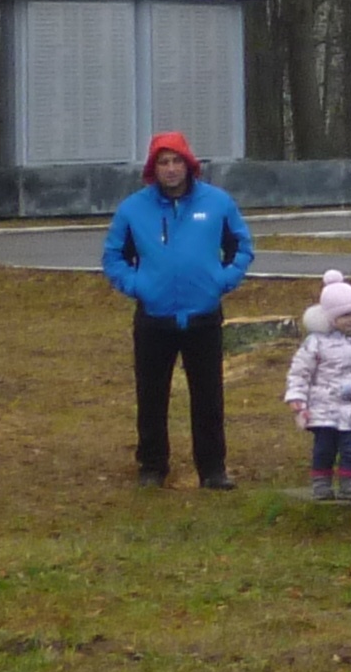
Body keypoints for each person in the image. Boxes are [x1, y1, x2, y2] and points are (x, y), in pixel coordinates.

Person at [101, 131, 253, 491]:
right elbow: (113, 257)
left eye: (176, 161)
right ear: (154, 169)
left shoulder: (217, 203)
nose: (171, 169)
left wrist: (223, 280)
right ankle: (152, 466)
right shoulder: (133, 209)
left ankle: (213, 469)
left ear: (189, 164)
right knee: (151, 396)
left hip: (203, 315)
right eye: (163, 163)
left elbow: (241, 247)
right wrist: (138, 286)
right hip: (154, 317)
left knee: (209, 396)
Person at [284, 269, 351, 503]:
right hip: (323, 410)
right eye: (345, 315)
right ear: (331, 318)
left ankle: (350, 483)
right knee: (324, 449)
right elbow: (300, 372)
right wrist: (298, 399)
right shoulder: (316, 343)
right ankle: (321, 483)